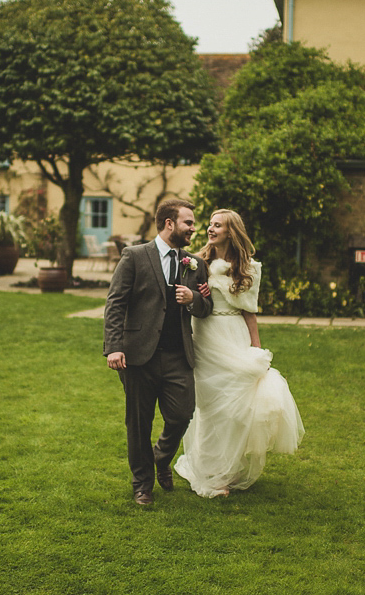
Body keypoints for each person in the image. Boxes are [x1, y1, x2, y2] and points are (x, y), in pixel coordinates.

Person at [174, 209, 304, 497]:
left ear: (231, 231)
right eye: (209, 224)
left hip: (232, 334)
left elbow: (249, 312)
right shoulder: (197, 262)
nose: (210, 229)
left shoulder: (249, 268)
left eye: (217, 225)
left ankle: (227, 470)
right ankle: (207, 471)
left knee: (233, 409)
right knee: (208, 407)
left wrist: (256, 349)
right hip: (204, 334)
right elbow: (185, 296)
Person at [103, 199, 214, 505]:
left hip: (178, 356)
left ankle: (161, 458)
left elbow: (206, 309)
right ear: (169, 224)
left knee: (181, 415)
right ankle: (142, 485)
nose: (194, 228)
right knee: (138, 423)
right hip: (138, 356)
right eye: (188, 223)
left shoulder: (196, 264)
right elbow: (116, 303)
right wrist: (114, 347)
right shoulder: (135, 256)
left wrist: (193, 298)